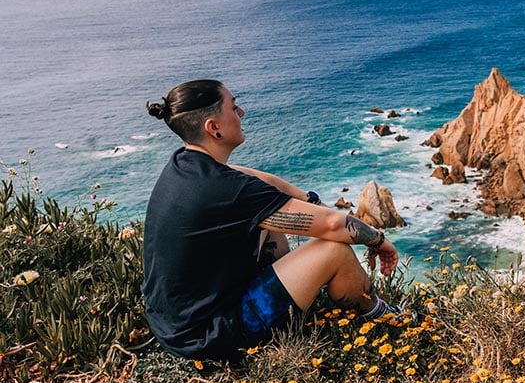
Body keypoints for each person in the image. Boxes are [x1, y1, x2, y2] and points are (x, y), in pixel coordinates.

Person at [142, 79, 401, 361]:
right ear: (213, 127)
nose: (241, 113)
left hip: (175, 324)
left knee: (266, 223)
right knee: (334, 250)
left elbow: (256, 179)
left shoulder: (186, 164)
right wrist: (379, 240)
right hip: (212, 337)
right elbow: (332, 226)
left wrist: (309, 199)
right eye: (233, 107)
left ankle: (291, 299)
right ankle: (378, 314)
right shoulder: (227, 190)